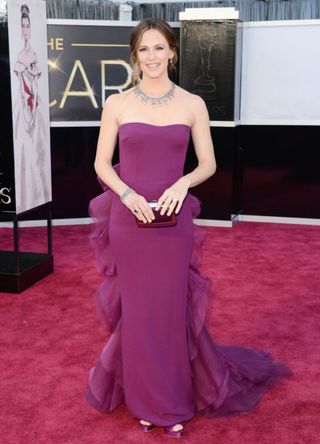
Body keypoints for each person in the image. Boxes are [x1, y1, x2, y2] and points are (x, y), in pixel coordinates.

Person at [84, 18, 293, 439]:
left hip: (173, 222)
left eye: (160, 48)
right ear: (134, 55)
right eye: (144, 49)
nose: (152, 57)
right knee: (141, 313)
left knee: (170, 310)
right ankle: (145, 400)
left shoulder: (192, 104)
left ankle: (174, 399)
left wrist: (183, 182)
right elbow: (101, 163)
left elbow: (209, 164)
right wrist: (127, 196)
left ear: (173, 52)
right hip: (131, 220)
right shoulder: (117, 104)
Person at [13, 4, 50, 213]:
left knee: (40, 149)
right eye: (23, 26)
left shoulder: (34, 53)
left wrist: (34, 108)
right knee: (25, 150)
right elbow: (20, 88)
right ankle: (24, 195)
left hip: (36, 106)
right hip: (23, 107)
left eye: (28, 25)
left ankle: (39, 195)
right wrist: (27, 115)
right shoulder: (19, 56)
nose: (26, 30)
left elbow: (35, 85)